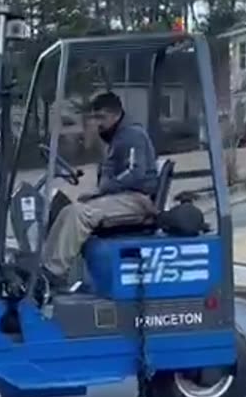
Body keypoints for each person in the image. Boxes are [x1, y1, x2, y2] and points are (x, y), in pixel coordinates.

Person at [41, 92, 159, 291]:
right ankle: (45, 269)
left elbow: (135, 173)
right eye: (95, 118)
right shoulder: (117, 137)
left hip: (137, 200)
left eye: (101, 117)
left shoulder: (132, 135)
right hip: (122, 197)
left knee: (79, 214)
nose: (98, 123)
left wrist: (103, 191)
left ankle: (53, 273)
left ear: (116, 114)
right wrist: (99, 193)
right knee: (67, 210)